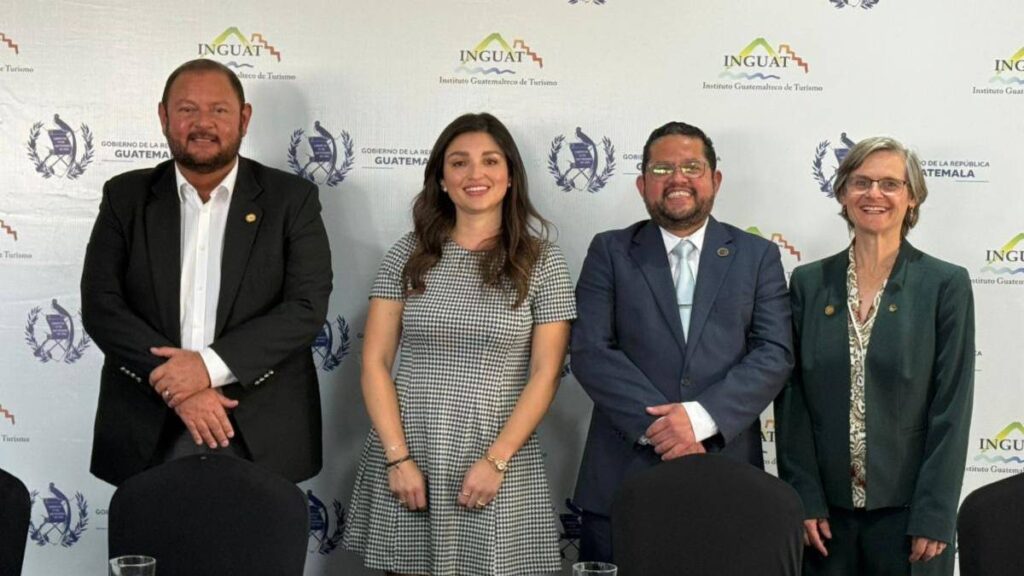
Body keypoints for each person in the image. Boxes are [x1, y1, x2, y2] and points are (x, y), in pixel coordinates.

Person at [343, 113, 576, 576]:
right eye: (459, 162)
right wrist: (398, 458)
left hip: (498, 458)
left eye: (490, 161)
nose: (475, 174)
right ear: (441, 179)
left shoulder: (542, 261)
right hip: (410, 454)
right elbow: (375, 362)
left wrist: (496, 461)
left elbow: (546, 373)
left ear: (510, 176)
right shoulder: (407, 254)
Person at [81, 59, 332, 486]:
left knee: (257, 534)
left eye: (219, 110)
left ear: (244, 118)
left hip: (261, 427)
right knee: (149, 532)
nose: (203, 123)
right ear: (163, 116)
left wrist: (206, 368)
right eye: (187, 110)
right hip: (148, 424)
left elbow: (305, 307)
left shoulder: (292, 199)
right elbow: (101, 305)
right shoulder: (125, 197)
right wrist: (179, 386)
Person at [571, 121, 794, 562]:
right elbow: (590, 350)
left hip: (727, 474)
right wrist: (666, 431)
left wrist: (699, 420)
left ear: (715, 180)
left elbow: (774, 353)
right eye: (661, 169)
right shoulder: (609, 251)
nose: (677, 179)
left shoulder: (758, 256)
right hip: (623, 478)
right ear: (642, 184)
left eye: (692, 167)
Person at [775, 136, 974, 575]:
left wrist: (934, 513)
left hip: (910, 519)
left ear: (912, 196)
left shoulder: (944, 284)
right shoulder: (808, 283)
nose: (874, 194)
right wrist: (804, 498)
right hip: (825, 522)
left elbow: (952, 407)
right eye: (861, 182)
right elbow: (792, 400)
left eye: (890, 184)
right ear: (843, 193)